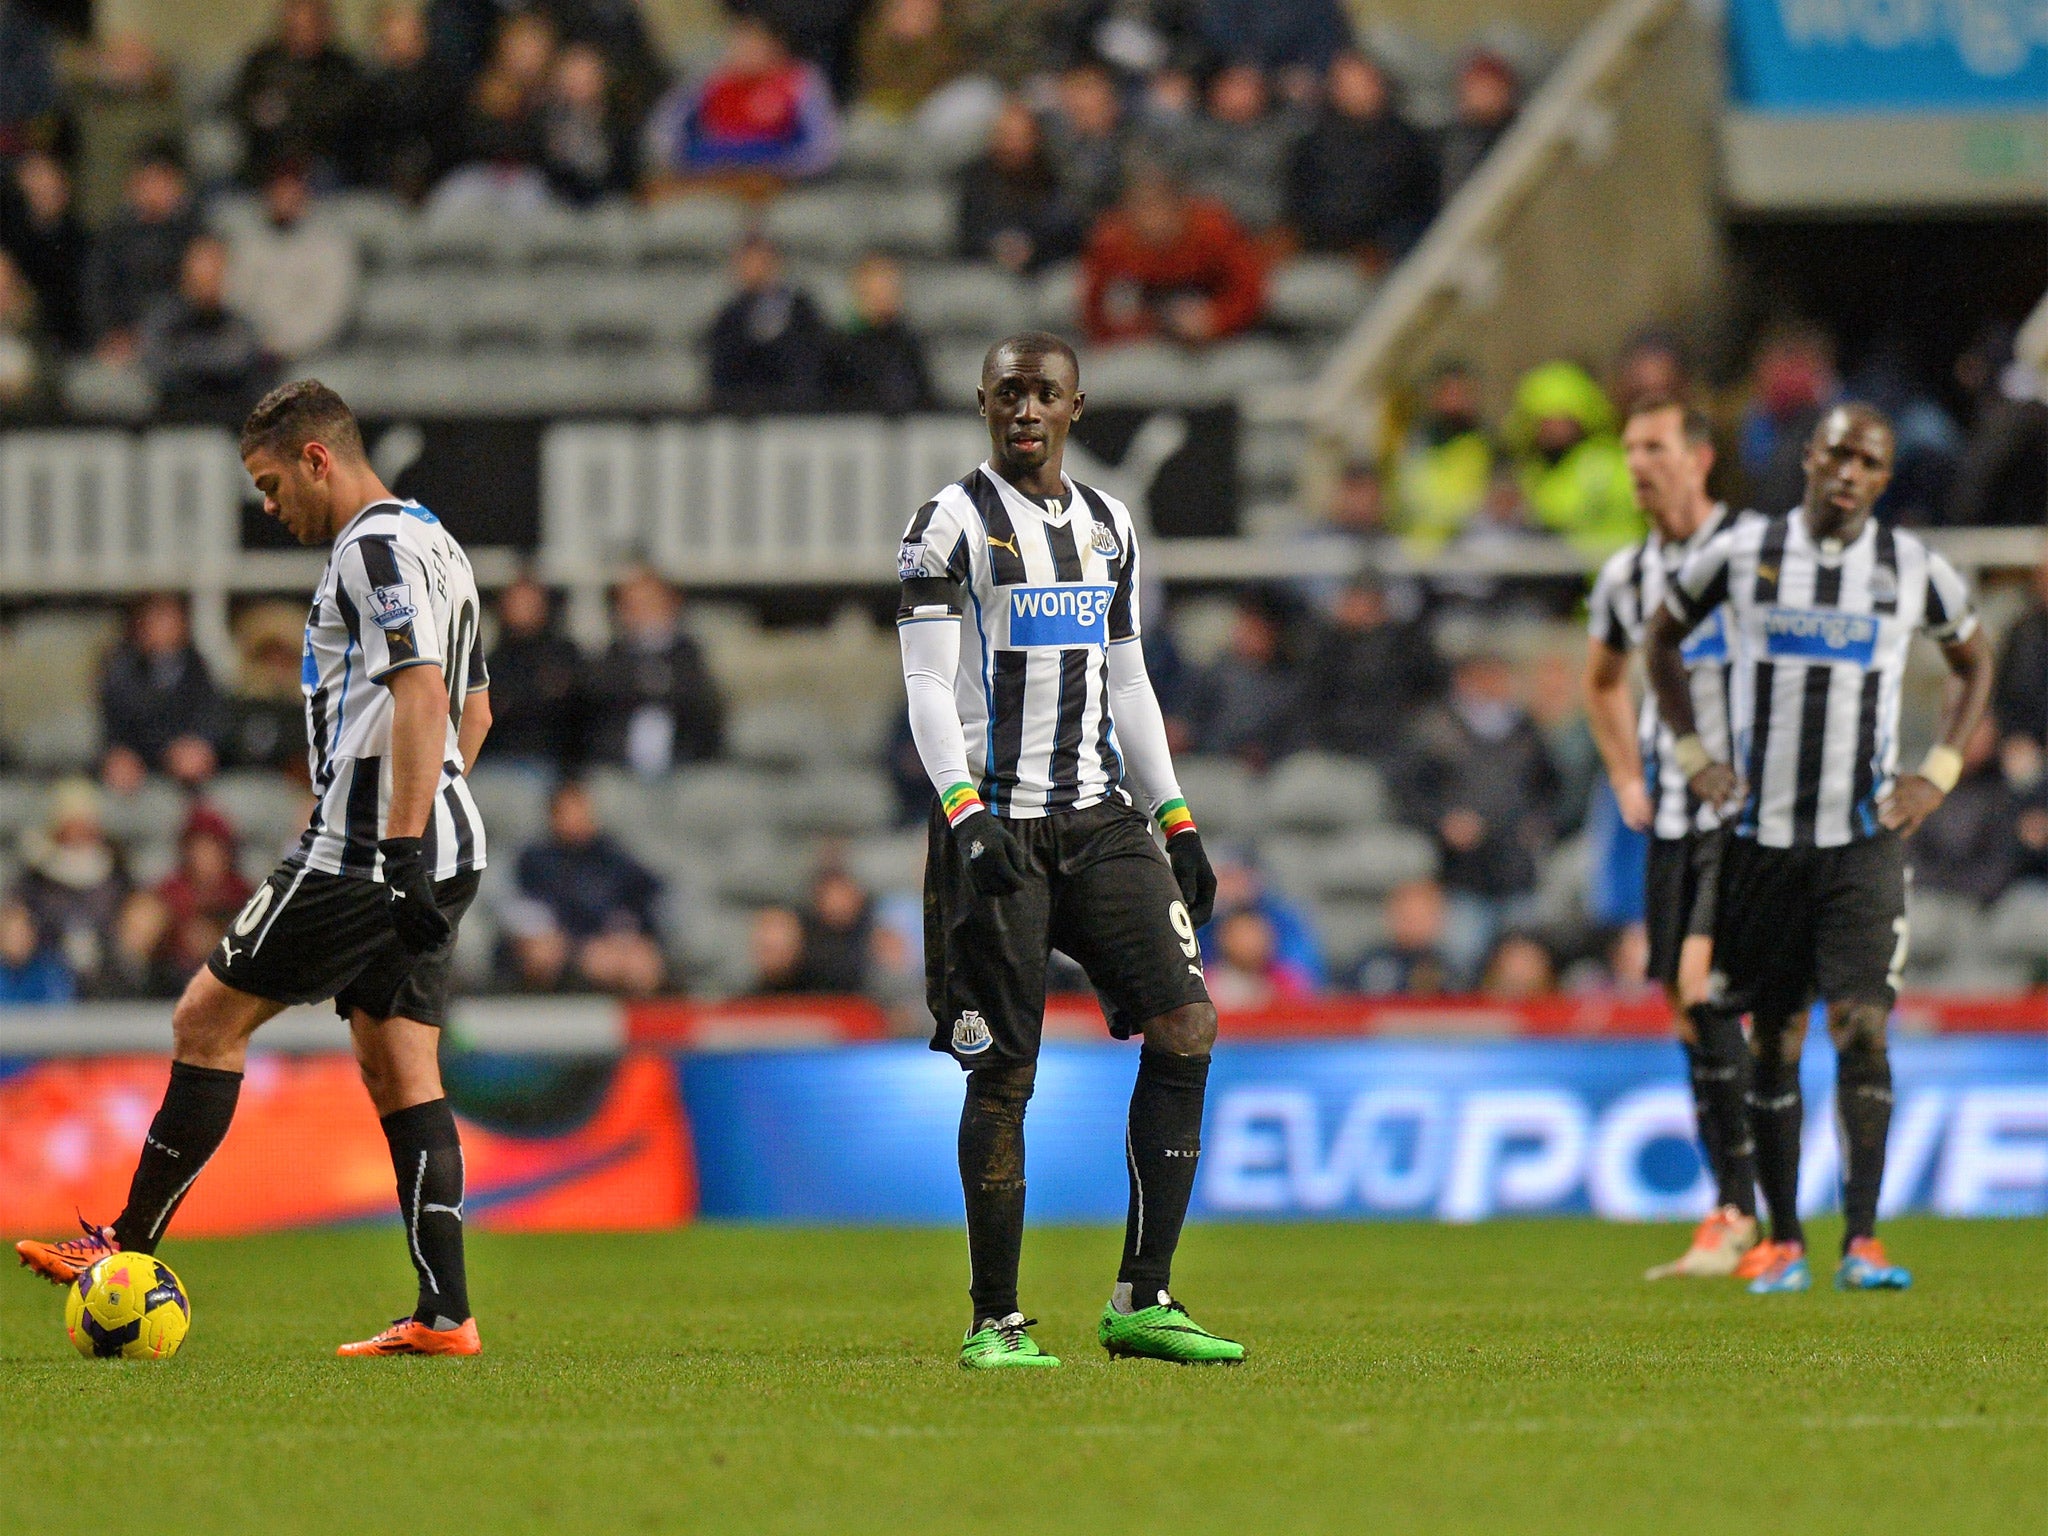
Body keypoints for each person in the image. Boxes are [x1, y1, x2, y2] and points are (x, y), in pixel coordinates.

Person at [15, 380, 495, 1358]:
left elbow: (422, 690)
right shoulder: (437, 541)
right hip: (447, 842)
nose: (270, 509)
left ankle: (122, 1246)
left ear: (318, 458)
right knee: (400, 1062)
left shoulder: (370, 548)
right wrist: (432, 824)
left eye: (273, 485)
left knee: (205, 1018)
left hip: (368, 851)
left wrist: (396, 843)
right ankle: (444, 1313)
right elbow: (473, 714)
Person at [896, 330, 1242, 1366]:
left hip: (1098, 818)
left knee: (1185, 1023)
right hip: (992, 820)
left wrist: (1173, 815)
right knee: (1001, 1074)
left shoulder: (1107, 527)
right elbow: (921, 682)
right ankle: (992, 1320)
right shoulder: (945, 525)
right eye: (1008, 392)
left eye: (1044, 393)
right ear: (983, 402)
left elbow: (1127, 679)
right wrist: (962, 811)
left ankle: (1143, 1295)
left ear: (1075, 407)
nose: (1026, 410)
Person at [1647, 403, 1993, 1295]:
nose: (1849, 471)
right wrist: (1693, 755)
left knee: (1863, 1026)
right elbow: (1660, 640)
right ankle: (1788, 1240)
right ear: (1809, 457)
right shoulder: (1745, 554)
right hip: (1765, 840)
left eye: (1869, 462)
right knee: (1777, 1039)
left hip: (1862, 842)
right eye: (1837, 452)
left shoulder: (1909, 568)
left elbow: (1974, 660)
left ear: (1884, 478)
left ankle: (1865, 1240)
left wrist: (1941, 769)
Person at [1583, 398, 1758, 1280]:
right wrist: (1624, 775)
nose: (1638, 463)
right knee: (1689, 1011)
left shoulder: (1760, 556)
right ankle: (1737, 1211)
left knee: (1706, 988)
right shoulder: (1626, 575)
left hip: (1753, 819)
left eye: (1654, 447)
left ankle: (1757, 1212)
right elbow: (1602, 681)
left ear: (1700, 456)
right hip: (1674, 825)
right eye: (1628, 449)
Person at [1392, 652, 1560, 981]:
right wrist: (1443, 821)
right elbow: (1407, 796)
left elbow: (1551, 791)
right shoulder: (1435, 730)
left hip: (1517, 870)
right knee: (1460, 964)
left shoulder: (1525, 730)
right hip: (1463, 876)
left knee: (1522, 967)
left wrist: (1539, 824)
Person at [504, 780, 666, 994]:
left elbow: (643, 898)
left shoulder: (613, 855)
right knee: (541, 954)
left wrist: (624, 934)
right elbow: (526, 907)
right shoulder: (535, 859)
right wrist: (574, 944)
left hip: (607, 939)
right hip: (559, 939)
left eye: (580, 809)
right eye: (566, 811)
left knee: (641, 963)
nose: (574, 818)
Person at [1080, 164, 1265, 347]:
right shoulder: (1111, 240)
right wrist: (1144, 328)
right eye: (1143, 209)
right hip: (1148, 341)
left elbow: (1249, 288)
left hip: (1220, 335)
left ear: (1181, 206)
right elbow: (1094, 309)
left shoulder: (1212, 229)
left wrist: (1217, 320)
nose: (1153, 220)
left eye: (1161, 208)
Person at [642, 17, 839, 186]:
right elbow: (663, 135)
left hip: (778, 176)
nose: (745, 50)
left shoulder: (800, 80)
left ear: (775, 46)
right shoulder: (709, 82)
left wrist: (780, 168)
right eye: (740, 44)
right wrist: (694, 166)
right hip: (715, 175)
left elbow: (823, 147)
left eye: (754, 44)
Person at [1286, 52, 1436, 263]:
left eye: (1360, 82)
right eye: (1345, 85)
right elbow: (1300, 198)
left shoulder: (1407, 141)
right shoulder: (1313, 143)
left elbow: (1414, 204)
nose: (1354, 92)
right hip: (1322, 244)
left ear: (1378, 84)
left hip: (1385, 247)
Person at [581, 567, 725, 771]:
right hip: (619, 769)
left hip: (684, 767)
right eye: (632, 605)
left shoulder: (689, 655)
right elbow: (601, 709)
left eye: (649, 603)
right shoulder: (611, 657)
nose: (642, 613)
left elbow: (699, 707)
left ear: (671, 603)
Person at [1289, 575, 1444, 762]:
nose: (1360, 608)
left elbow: (1426, 682)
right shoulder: (1326, 642)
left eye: (1368, 601)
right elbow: (1311, 692)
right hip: (1333, 735)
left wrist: (1382, 633)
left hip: (1391, 734)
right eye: (1354, 600)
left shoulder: (1404, 642)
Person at [1503, 360, 1641, 558]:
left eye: (1562, 419)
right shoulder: (1532, 467)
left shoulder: (1603, 461)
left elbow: (1559, 513)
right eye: (1545, 420)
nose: (1553, 430)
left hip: (1605, 573)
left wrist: (1526, 511)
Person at [225, 162, 361, 361]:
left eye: (292, 188)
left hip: (316, 355)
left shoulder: (331, 244)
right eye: (279, 189)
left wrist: (285, 344)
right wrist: (263, 342)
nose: (285, 196)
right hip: (255, 354)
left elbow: (332, 312)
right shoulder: (246, 242)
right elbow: (235, 297)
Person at [118, 803, 255, 998]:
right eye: (199, 849)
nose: (205, 857)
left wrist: (216, 941)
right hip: (169, 988)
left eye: (213, 848)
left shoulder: (243, 894)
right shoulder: (168, 893)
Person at [10, 779, 131, 998]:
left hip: (110, 974)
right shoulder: (37, 878)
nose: (79, 831)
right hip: (45, 974)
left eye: (85, 823)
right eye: (72, 824)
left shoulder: (116, 874)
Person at [139, 234, 277, 426]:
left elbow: (237, 359)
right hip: (172, 419)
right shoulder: (163, 317)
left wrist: (186, 358)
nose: (209, 275)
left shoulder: (240, 322)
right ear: (186, 269)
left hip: (230, 422)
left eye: (216, 266)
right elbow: (157, 365)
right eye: (202, 265)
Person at [81, 143, 201, 362]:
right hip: (125, 344)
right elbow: (98, 292)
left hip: (181, 341)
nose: (154, 190)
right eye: (147, 182)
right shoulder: (114, 237)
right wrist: (113, 334)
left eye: (162, 181)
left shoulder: (194, 233)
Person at [99, 592, 229, 793]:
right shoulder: (122, 671)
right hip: (142, 765)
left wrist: (198, 745)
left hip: (187, 767)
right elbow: (114, 726)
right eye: (152, 620)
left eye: (166, 619)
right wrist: (120, 754)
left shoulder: (198, 670)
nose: (158, 628)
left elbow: (211, 717)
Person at [230, 0, 366, 183]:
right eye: (296, 27)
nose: (303, 34)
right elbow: (241, 109)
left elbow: (344, 120)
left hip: (323, 165)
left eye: (309, 26)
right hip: (266, 161)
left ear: (325, 26)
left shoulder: (341, 68)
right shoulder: (262, 63)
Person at [956, 96, 1086, 274]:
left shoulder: (1051, 173)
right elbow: (967, 233)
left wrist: (1031, 245)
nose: (1012, 145)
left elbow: (1067, 228)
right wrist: (996, 245)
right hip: (988, 269)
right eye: (1006, 136)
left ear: (1034, 137)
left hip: (1044, 266)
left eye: (1020, 136)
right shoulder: (976, 176)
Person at [704, 235, 829, 414]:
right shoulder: (729, 317)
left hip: (797, 413)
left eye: (761, 262)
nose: (755, 269)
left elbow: (811, 362)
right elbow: (721, 373)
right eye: (747, 263)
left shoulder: (800, 309)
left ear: (776, 263)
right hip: (745, 414)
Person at [482, 573, 582, 770]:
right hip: (497, 762)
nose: (522, 609)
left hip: (549, 764)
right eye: (516, 602)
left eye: (529, 602)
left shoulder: (564, 655)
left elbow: (573, 718)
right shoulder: (493, 659)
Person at [1392, 359, 1494, 550]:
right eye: (1449, 392)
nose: (1455, 399)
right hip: (1421, 545)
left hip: (1472, 543)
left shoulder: (1487, 443)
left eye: (1461, 392)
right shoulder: (1416, 442)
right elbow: (1406, 494)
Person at [0, 149, 86, 351]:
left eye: (50, 180)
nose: (43, 187)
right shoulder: (9, 235)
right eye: (36, 178)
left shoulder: (79, 240)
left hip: (59, 339)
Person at [826, 253, 934, 414]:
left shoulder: (908, 342)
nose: (885, 291)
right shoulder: (839, 345)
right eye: (878, 284)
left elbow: (925, 397)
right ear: (859, 288)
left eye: (891, 283)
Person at [1437, 49, 1518, 201]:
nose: (1482, 95)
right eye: (1476, 87)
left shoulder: (1520, 135)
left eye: (1489, 87)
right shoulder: (1454, 139)